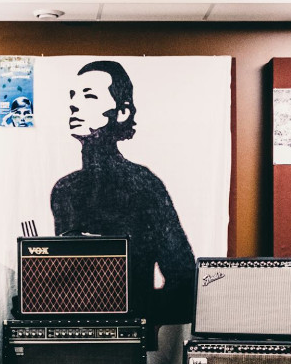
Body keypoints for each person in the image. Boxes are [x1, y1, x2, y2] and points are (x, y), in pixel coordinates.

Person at [50, 60, 195, 326]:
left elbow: (184, 281)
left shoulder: (144, 185)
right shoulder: (65, 190)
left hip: (131, 335)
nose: (74, 104)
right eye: (73, 96)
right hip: (76, 331)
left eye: (89, 96)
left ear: (122, 112)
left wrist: (135, 313)